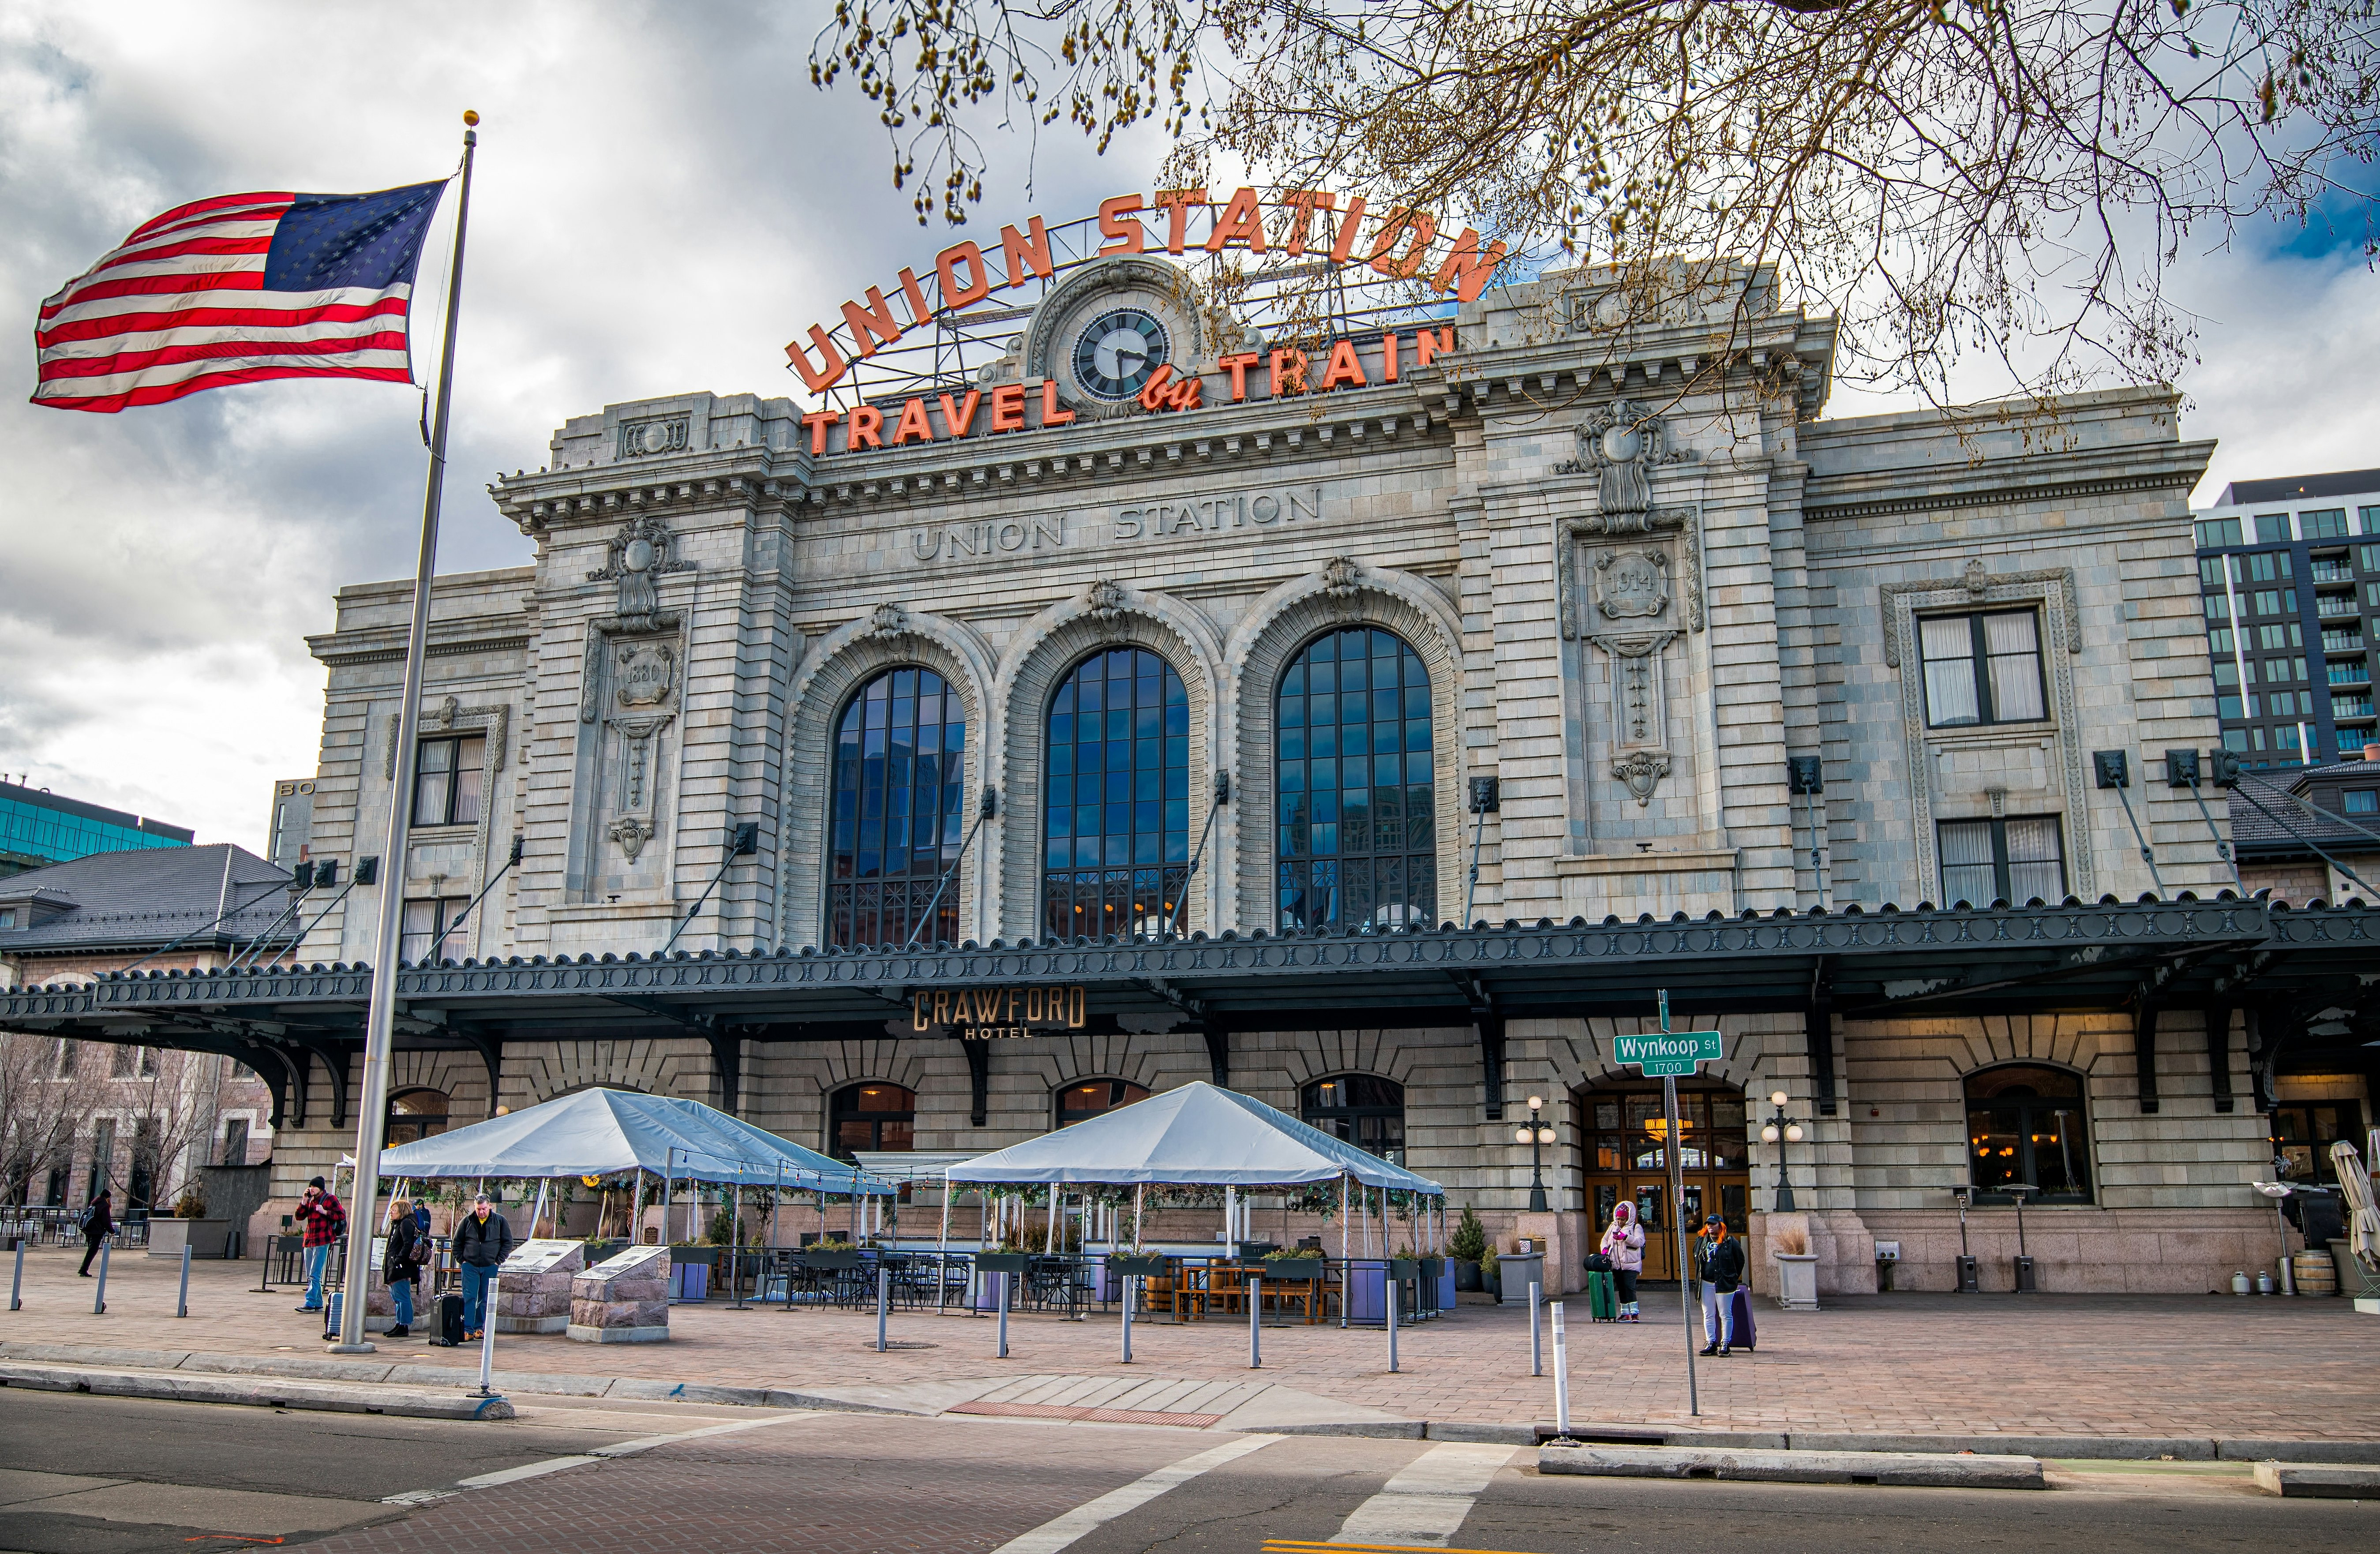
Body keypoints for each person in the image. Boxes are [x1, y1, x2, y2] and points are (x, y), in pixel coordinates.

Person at [453, 1191, 516, 1339]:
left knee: (484, 1298)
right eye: (478, 1209)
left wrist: (498, 1261)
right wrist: (462, 1260)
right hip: (470, 1265)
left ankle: (478, 1328)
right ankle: (467, 1329)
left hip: (490, 1265)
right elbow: (457, 1243)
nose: (481, 1212)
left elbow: (508, 1242)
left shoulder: (500, 1221)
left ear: (490, 1207)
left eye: (484, 1209)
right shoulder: (467, 1221)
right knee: (470, 1296)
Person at [1695, 1213, 1746, 1356]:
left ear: (1721, 1225)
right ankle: (1711, 1342)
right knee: (1708, 1313)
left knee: (1725, 1313)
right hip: (1707, 1281)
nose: (1710, 1227)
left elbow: (1740, 1260)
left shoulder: (1730, 1241)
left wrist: (1733, 1276)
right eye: (1708, 1224)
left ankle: (1725, 1343)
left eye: (1713, 1224)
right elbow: (1698, 1260)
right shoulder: (1701, 1240)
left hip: (1724, 1282)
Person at [294, 1176, 346, 1313]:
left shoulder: (330, 1199)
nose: (311, 1189)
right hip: (309, 1240)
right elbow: (299, 1217)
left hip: (323, 1240)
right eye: (310, 1186)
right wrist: (304, 1202)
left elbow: (341, 1215)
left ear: (321, 1188)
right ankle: (318, 1303)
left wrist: (325, 1212)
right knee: (310, 1274)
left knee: (314, 1274)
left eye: (314, 1187)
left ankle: (310, 1303)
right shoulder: (310, 1200)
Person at [382, 1196, 427, 1338]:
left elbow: (408, 1244)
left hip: (401, 1267)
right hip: (395, 1266)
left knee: (402, 1296)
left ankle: (404, 1325)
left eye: (394, 1210)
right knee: (397, 1296)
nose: (391, 1212)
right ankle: (399, 1323)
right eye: (391, 1210)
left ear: (402, 1211)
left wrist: (398, 1260)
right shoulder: (397, 1224)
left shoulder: (406, 1223)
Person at [1598, 1200, 1645, 1322]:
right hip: (1617, 1264)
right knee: (1621, 1289)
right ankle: (1625, 1314)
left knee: (1630, 1288)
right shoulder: (1612, 1227)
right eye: (1618, 1219)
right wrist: (1605, 1250)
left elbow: (1640, 1242)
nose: (1620, 1222)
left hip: (1631, 1264)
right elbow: (1604, 1240)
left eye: (1623, 1219)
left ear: (1629, 1218)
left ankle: (1635, 1313)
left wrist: (1626, 1238)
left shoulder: (1636, 1227)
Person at [76, 1188, 113, 1277]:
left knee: (91, 1250)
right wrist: (112, 1231)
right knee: (92, 1251)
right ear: (108, 1197)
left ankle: (84, 1269)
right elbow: (106, 1220)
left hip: (89, 1229)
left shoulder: (94, 1204)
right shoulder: (105, 1205)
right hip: (97, 1231)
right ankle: (83, 1269)